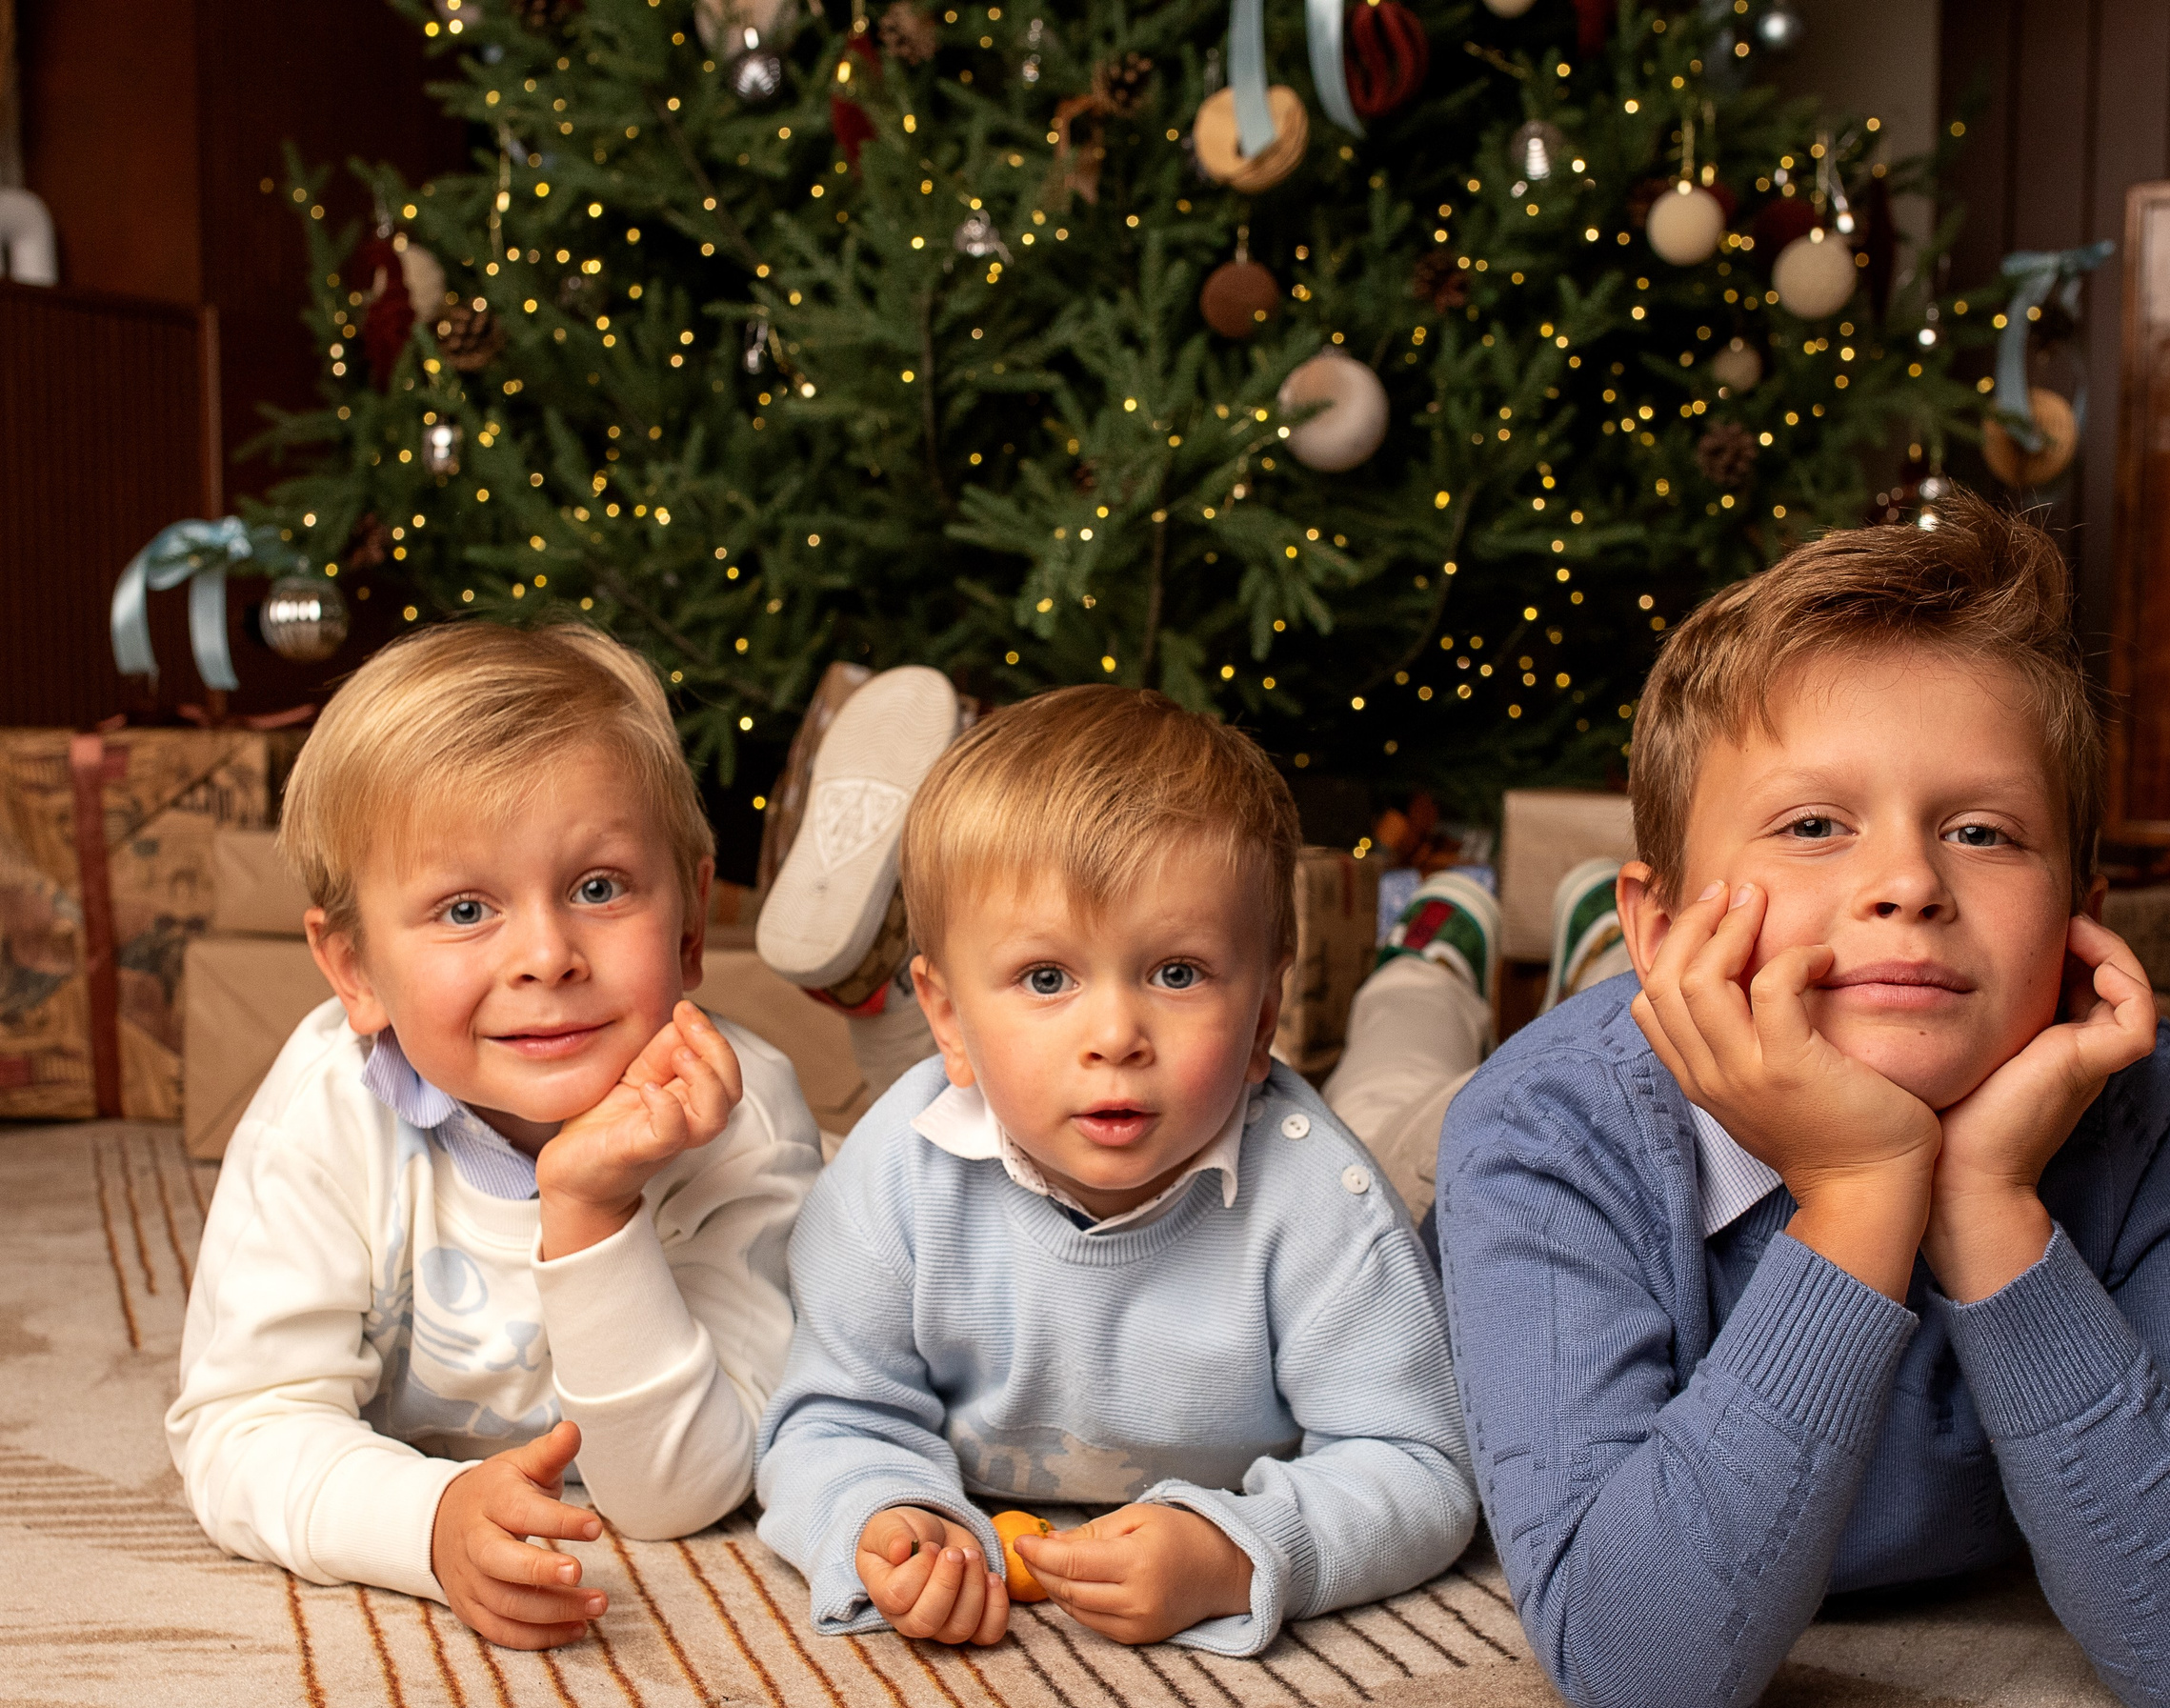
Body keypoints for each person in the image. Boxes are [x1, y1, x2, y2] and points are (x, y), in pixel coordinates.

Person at [1435, 494, 2170, 1708]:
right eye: (1813, 826)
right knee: (1399, 1094)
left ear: (2083, 915)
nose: (1909, 883)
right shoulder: (1541, 1133)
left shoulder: (2154, 1104)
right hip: (1574, 1066)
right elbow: (1643, 1686)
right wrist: (1862, 1190)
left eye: (1983, 832)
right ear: (1665, 925)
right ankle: (1432, 982)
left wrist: (1987, 1205)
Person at [753, 686, 1476, 1656]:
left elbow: (1420, 1463)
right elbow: (830, 1415)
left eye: (1176, 973)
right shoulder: (895, 1173)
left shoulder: (1327, 1205)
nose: (1114, 1037)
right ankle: (1427, 959)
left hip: (1376, 1150)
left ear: (1264, 1013)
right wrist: (879, 1513)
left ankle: (1436, 954)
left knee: (1413, 1087)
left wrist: (1241, 1549)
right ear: (949, 1022)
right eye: (1046, 979)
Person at [167, 624, 821, 1650]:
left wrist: (593, 1211)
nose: (547, 955)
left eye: (598, 887)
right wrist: (426, 1521)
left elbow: (682, 1490)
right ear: (355, 972)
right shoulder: (325, 1108)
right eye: (466, 908)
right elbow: (241, 1428)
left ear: (691, 922)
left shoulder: (741, 1118)